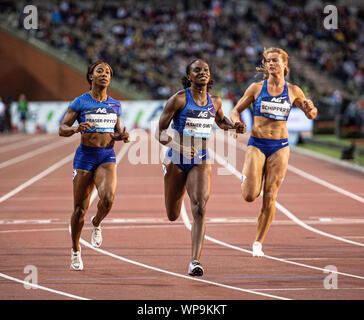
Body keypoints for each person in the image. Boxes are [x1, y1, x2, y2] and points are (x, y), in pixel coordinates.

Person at [155, 59, 245, 276]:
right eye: (197, 70)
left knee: (200, 207)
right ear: (189, 76)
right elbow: (159, 133)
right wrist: (179, 147)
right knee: (173, 214)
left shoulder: (215, 102)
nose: (203, 72)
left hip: (201, 158)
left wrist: (235, 126)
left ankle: (194, 261)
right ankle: (169, 178)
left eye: (206, 69)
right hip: (177, 157)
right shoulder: (178, 99)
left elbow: (221, 122)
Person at [230, 47, 317, 257]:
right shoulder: (256, 88)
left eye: (275, 60)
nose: (271, 64)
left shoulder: (294, 90)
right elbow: (235, 111)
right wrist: (236, 124)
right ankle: (247, 179)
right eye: (268, 60)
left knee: (270, 196)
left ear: (284, 65)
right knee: (251, 195)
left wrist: (310, 109)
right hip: (257, 144)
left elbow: (311, 114)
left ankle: (258, 242)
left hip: (280, 147)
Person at [59, 61, 129, 270]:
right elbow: (62, 128)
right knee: (80, 209)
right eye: (100, 71)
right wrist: (75, 129)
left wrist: (121, 135)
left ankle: (97, 223)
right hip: (85, 157)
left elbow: (114, 132)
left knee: (107, 198)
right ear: (91, 76)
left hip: (106, 155)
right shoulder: (80, 102)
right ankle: (75, 250)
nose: (104, 75)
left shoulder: (115, 105)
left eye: (108, 72)